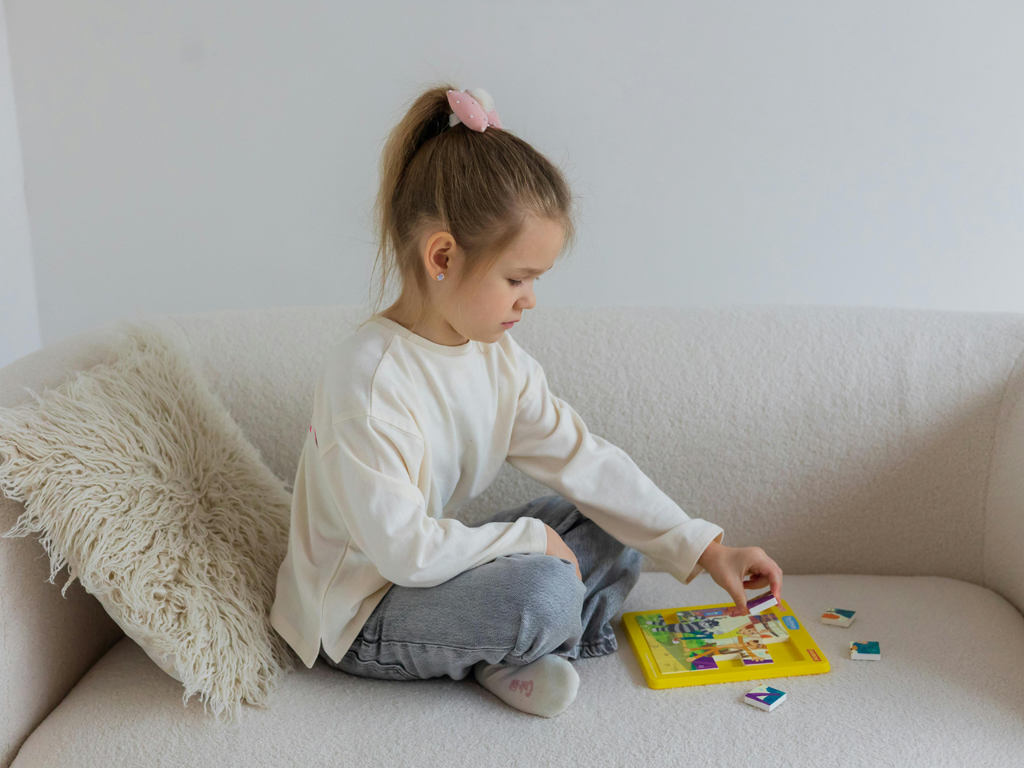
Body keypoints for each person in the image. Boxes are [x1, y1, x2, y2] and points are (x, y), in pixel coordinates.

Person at [269, 84, 784, 718]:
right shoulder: (368, 380)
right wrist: (530, 540)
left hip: (432, 570)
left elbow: (583, 459)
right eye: (518, 279)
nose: (530, 300)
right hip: (361, 612)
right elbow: (402, 552)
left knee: (607, 526)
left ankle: (509, 656)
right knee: (543, 591)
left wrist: (708, 550)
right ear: (443, 256)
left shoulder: (495, 358)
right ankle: (523, 643)